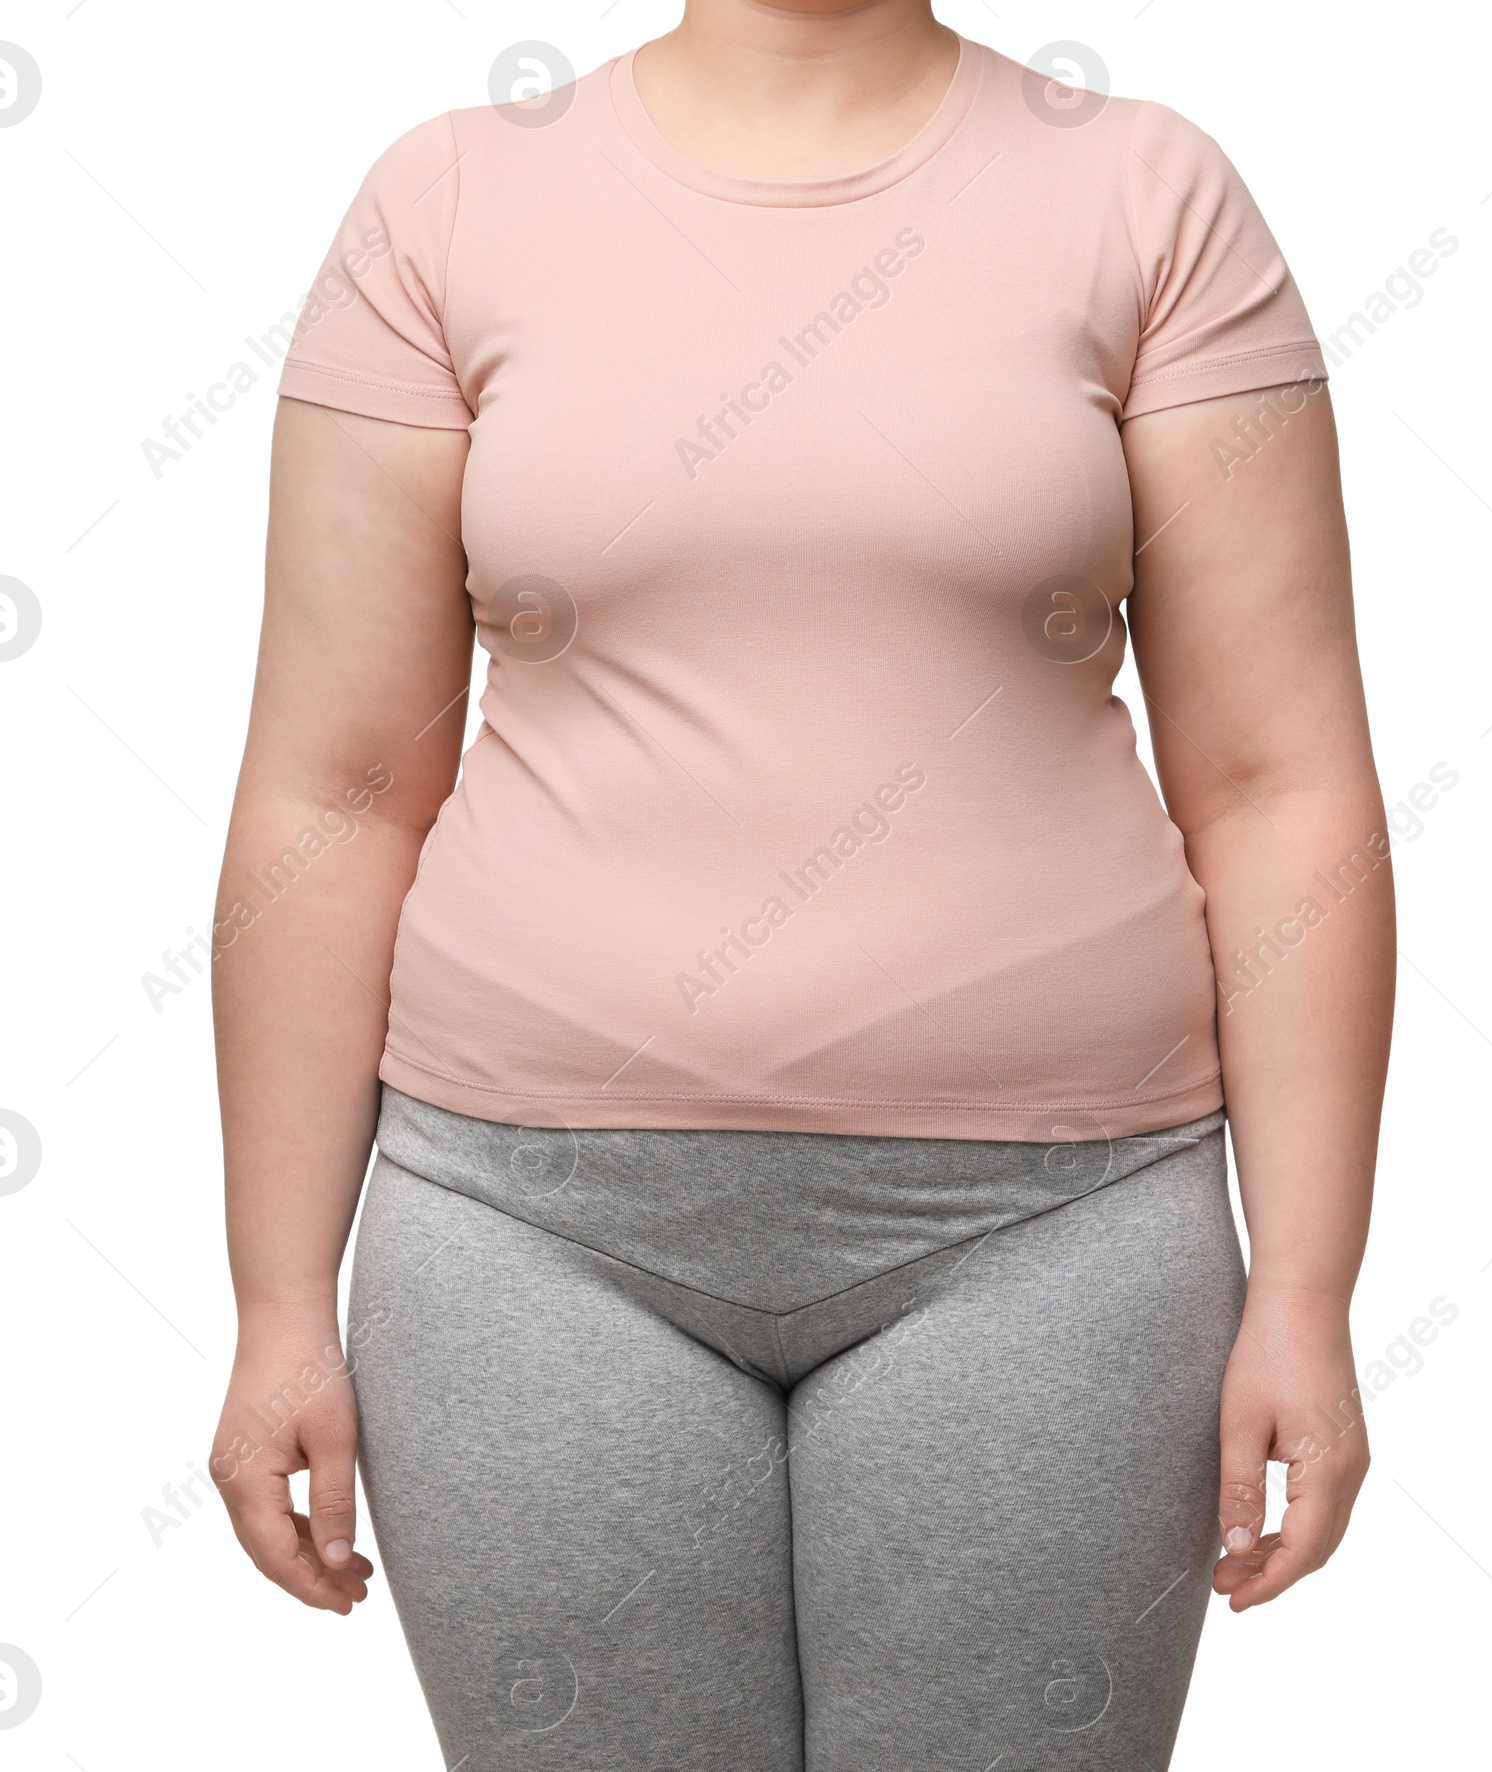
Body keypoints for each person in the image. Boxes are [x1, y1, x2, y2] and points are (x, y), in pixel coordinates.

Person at [209, 2, 1395, 1767]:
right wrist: (276, 1306)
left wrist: (1308, 1292)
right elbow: (341, 789)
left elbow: (1279, 784)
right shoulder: (446, 203)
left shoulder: (1149, 195)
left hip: (1057, 1241)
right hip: (529, 1237)